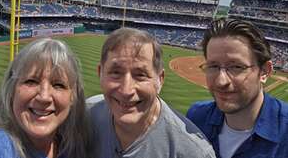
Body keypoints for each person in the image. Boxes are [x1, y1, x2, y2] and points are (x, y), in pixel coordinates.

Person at [87, 27, 216, 158]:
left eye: (140, 75)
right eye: (115, 73)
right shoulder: (85, 115)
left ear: (160, 80)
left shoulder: (193, 152)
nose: (126, 91)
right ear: (100, 73)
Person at [186, 18, 288, 158]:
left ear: (264, 71)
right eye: (213, 66)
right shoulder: (196, 117)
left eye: (236, 67)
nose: (221, 81)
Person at [0, 38, 90, 158]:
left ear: (73, 97)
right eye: (31, 81)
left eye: (58, 85)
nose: (44, 97)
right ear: (11, 90)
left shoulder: (74, 147)